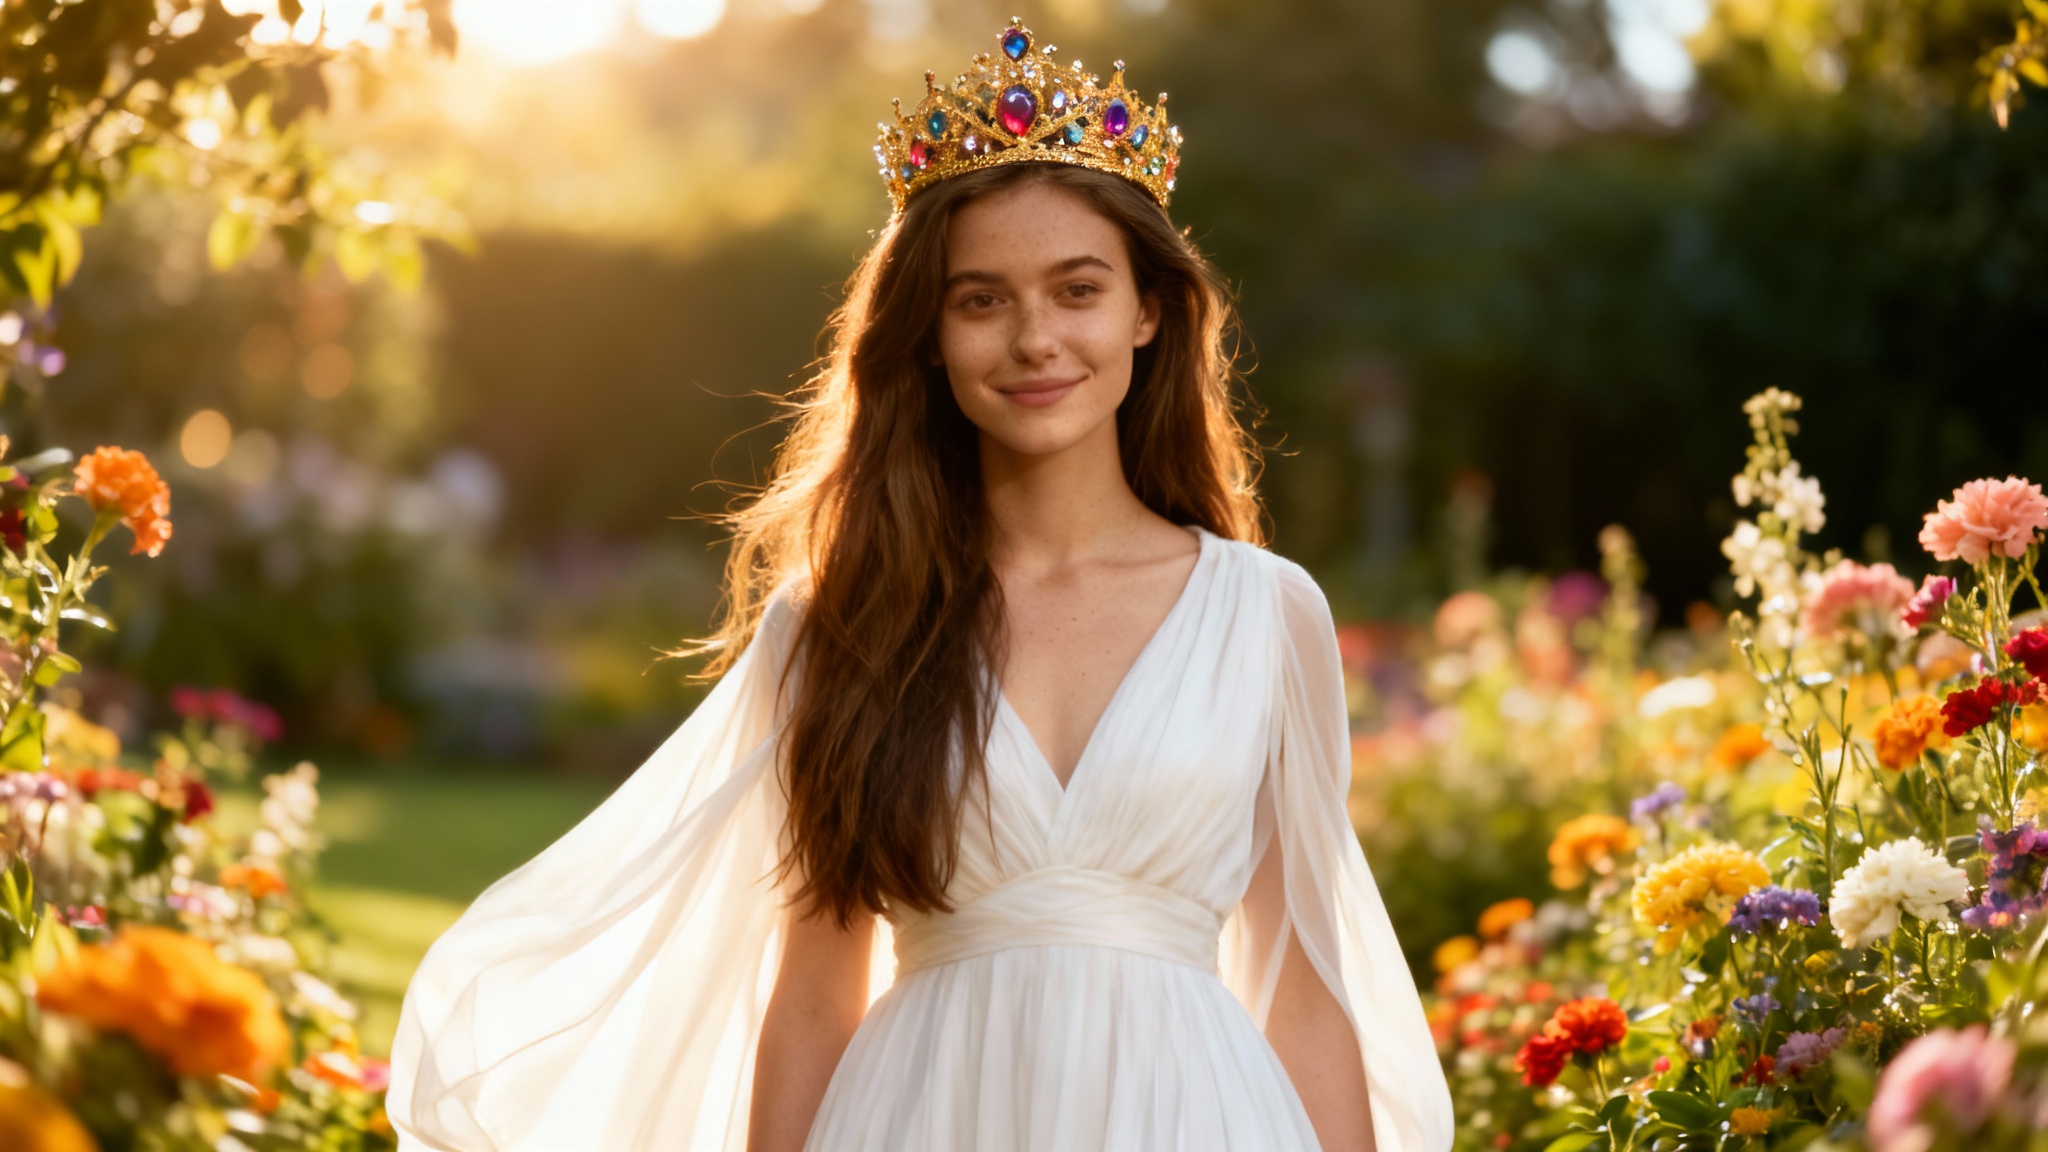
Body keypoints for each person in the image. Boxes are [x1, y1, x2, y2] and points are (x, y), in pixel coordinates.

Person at [388, 20, 1451, 1152]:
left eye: (1076, 290)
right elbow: (811, 986)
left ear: (1147, 311)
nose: (1034, 339)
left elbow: (1304, 977)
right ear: (929, 337)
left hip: (1194, 1117)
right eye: (981, 299)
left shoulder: (1264, 612)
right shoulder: (844, 620)